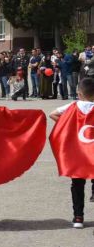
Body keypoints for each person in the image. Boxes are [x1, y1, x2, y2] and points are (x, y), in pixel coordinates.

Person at [48, 77, 94, 228]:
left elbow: (52, 113)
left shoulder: (73, 105)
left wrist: (68, 126)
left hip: (78, 152)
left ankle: (78, 217)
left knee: (77, 184)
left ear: (79, 93)